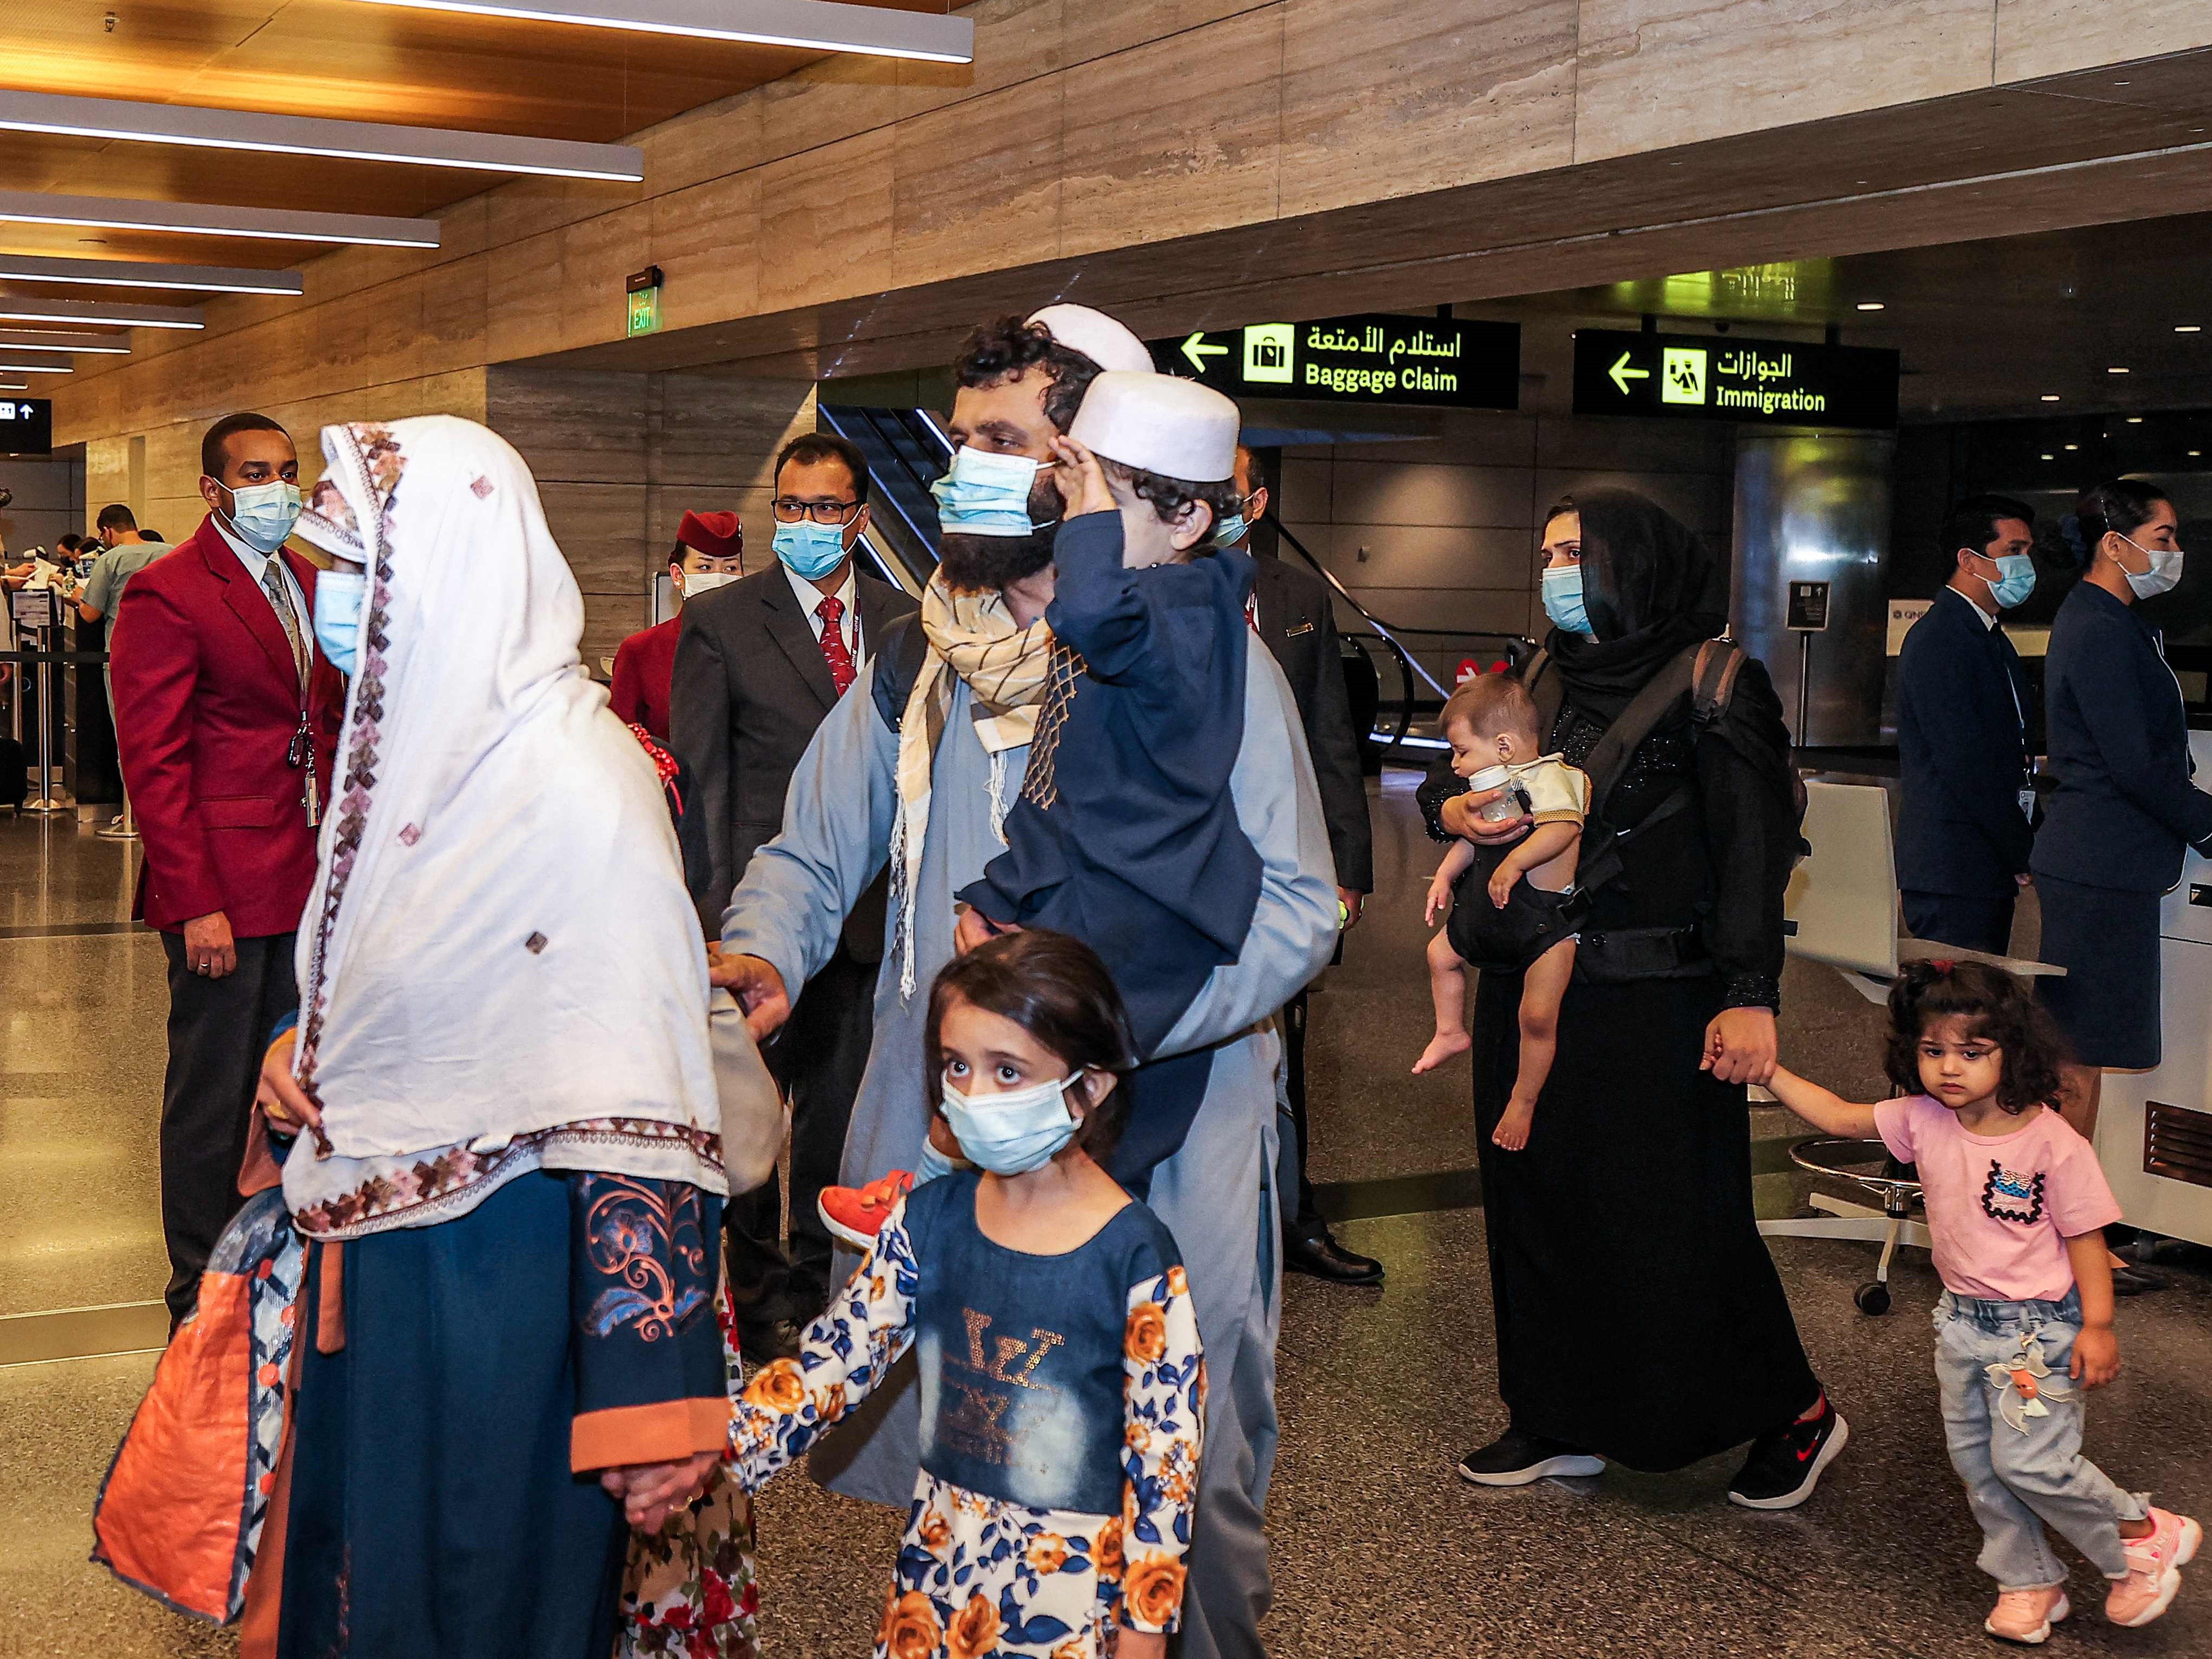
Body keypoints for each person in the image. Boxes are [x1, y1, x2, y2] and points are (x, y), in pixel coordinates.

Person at [717, 305, 1335, 1659]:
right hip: (966, 1144)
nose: (965, 471)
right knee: (976, 1454)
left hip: (1168, 1121)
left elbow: (1297, 912)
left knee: (1185, 1469)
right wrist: (760, 950)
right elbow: (811, 851)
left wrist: (1092, 1039)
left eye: (1001, 442)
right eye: (961, 441)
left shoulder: (1205, 667)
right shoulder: (919, 660)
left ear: (1087, 469)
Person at [249, 415, 728, 1658]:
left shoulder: (577, 781)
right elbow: (387, 980)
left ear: (457, 572)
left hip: (510, 1282)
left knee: (483, 1584)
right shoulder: (410, 752)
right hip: (378, 1272)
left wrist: (647, 1399)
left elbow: (642, 1093)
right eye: (328, 570)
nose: (335, 603)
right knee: (368, 1578)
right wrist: (299, 1052)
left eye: (363, 573)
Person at [1422, 490, 1843, 1506]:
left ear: (1635, 564)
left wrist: (1751, 991)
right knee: (1538, 1204)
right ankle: (1559, 1410)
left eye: (1576, 552)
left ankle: (1796, 1410)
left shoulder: (1715, 682)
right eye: (1549, 549)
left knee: (1673, 1219)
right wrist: (1461, 813)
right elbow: (1501, 783)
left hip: (1659, 997)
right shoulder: (1542, 672)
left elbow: (1753, 851)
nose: (1556, 568)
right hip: (1536, 984)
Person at [728, 931, 1203, 1658]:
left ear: (1089, 1086)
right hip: (940, 1576)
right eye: (956, 1066)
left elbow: (1163, 1462)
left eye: (1007, 1072)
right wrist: (706, 1458)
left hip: (1072, 1599)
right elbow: (832, 1364)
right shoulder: (929, 1223)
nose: (972, 1095)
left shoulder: (1134, 1257)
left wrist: (1144, 1631)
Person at [1764, 961, 2198, 1642]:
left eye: (1972, 1052)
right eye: (1932, 1050)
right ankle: (2029, 1580)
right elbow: (1843, 1116)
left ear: (2012, 1051)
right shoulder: (1922, 1118)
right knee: (1979, 1467)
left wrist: (2100, 1325)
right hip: (1961, 1326)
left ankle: (2143, 1532)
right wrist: (1769, 1071)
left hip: (2039, 1333)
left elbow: (2086, 1239)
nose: (1948, 1069)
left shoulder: (2050, 1140)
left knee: (2032, 1461)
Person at [957, 371, 1259, 1186]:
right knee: (1036, 1134)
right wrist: (999, 891)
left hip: (1147, 923)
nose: (1076, 526)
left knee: (1092, 1155)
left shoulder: (1187, 607)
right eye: (1071, 500)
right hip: (1089, 898)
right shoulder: (1146, 600)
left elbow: (1087, 611)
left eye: (1105, 504)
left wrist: (1086, 521)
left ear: (1189, 518)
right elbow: (1062, 782)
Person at [671, 434, 917, 1361]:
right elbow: (705, 778)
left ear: (858, 517)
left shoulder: (905, 622)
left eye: (825, 508)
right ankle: (749, 1273)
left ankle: (820, 1273)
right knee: (748, 1105)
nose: (807, 524)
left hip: (873, 916)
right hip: (763, 910)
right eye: (792, 507)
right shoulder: (728, 620)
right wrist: (711, 914)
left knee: (840, 1104)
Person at [108, 413, 346, 1326]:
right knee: (214, 1096)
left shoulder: (304, 578)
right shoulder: (170, 592)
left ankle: (272, 1265)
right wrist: (195, 901)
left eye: (287, 471)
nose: (277, 488)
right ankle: (199, 1292)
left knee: (288, 1084)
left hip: (304, 872)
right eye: (256, 473)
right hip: (222, 885)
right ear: (214, 489)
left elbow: (323, 720)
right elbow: (154, 761)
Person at [2034, 479, 2203, 1297]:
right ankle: (2065, 1244)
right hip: (2099, 864)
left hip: (2108, 864)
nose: (2172, 553)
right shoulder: (2099, 628)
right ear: (2114, 542)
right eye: (2162, 537)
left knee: (2083, 1059)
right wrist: (2206, 822)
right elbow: (2134, 763)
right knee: (2076, 1063)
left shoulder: (2111, 623)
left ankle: (2073, 1237)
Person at [1230, 444, 1381, 1285]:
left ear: (1253, 505)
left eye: (1228, 491)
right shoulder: (1146, 586)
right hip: (1191, 869)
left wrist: (1347, 869)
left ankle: (1294, 1216)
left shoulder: (1293, 596)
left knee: (1287, 1048)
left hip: (1286, 869)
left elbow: (1332, 735)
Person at [1415, 674, 1585, 1155]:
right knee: (1439, 955)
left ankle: (1523, 1101)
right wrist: (1446, 876)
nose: (1456, 764)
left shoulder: (1551, 777)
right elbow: (1476, 838)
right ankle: (1449, 1031)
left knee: (1536, 1016)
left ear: (1505, 746)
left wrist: (1514, 863)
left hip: (1545, 924)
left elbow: (1563, 830)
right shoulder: (1498, 786)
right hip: (1494, 915)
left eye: (1462, 752)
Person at [1896, 495, 2040, 955]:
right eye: (2013, 550)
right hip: (1953, 867)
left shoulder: (1987, 635)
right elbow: (1966, 763)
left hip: (1982, 862)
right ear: (1968, 559)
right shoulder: (1941, 639)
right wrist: (2024, 846)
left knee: (1977, 1006)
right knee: (1955, 1011)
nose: (2025, 564)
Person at [611, 509, 744, 741]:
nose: (720, 577)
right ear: (678, 575)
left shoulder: (760, 646)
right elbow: (620, 745)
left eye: (730, 568)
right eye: (705, 567)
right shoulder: (642, 651)